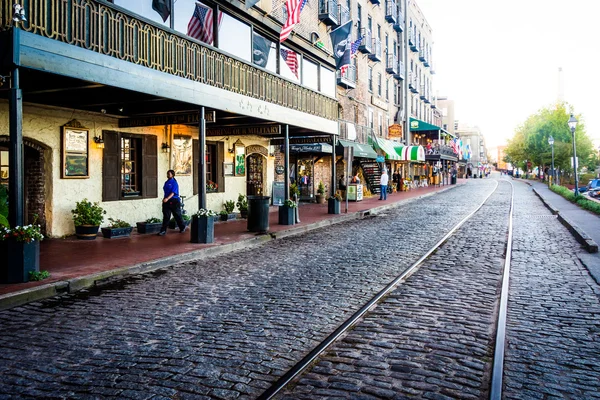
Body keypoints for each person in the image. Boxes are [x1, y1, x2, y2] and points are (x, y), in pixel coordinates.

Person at [158, 169, 186, 235]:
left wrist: (167, 198)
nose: (168, 175)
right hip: (166, 201)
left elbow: (173, 193)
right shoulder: (166, 182)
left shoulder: (174, 183)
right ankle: (163, 230)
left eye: (169, 174)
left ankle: (182, 227)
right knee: (166, 216)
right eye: (167, 174)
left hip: (174, 201)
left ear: (172, 175)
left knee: (177, 215)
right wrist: (165, 199)